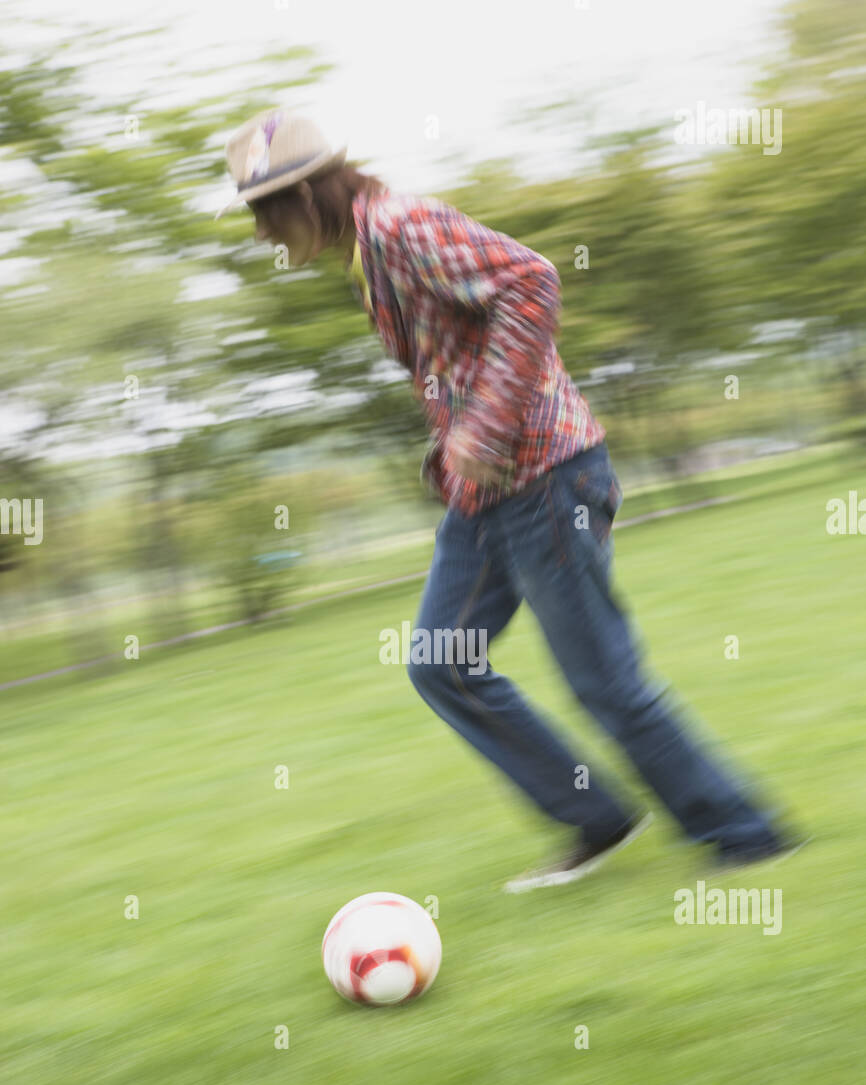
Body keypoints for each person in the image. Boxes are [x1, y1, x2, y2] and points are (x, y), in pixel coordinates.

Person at [219, 109, 794, 891]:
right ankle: (597, 817)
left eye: (267, 211)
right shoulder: (367, 253)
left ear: (311, 194)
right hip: (486, 496)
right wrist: (458, 452)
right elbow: (458, 352)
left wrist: (483, 431)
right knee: (440, 661)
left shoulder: (398, 225)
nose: (262, 233)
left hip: (547, 479)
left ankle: (749, 838)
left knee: (605, 682)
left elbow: (532, 280)